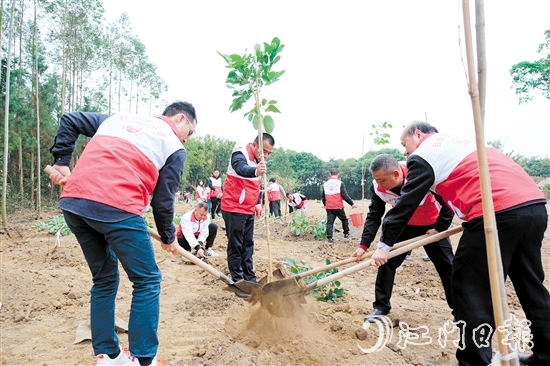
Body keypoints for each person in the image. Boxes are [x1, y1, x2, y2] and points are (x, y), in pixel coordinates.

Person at [371, 121, 549, 366]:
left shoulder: (423, 154)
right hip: (533, 208)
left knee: (468, 288)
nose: (405, 152)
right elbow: (466, 183)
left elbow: (406, 202)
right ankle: (547, 355)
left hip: (497, 212)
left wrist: (384, 247)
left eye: (405, 144)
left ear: (419, 134)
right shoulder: (462, 142)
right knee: (531, 286)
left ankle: (473, 362)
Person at [46, 101, 197, 366]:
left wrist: (62, 162)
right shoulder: (174, 146)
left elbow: (70, 120)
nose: (187, 139)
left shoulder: (118, 118)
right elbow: (163, 201)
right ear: (181, 118)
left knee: (104, 280)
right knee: (147, 280)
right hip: (118, 208)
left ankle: (108, 356)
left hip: (74, 204)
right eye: (190, 132)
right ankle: (144, 360)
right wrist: (168, 236)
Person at [350, 154, 454, 323]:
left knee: (448, 266)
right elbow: (374, 215)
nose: (378, 184)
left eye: (382, 180)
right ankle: (381, 306)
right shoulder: (378, 187)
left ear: (396, 174)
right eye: (375, 180)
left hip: (432, 226)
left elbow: (448, 202)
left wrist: (440, 228)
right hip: (403, 225)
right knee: (386, 261)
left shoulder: (422, 174)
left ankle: (459, 309)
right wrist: (364, 245)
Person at [220, 133, 274, 283]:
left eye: (270, 153)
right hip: (234, 207)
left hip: (248, 208)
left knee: (248, 244)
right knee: (236, 244)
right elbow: (240, 169)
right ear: (254, 145)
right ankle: (238, 278)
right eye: (265, 151)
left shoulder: (259, 161)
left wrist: (257, 202)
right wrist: (256, 171)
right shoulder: (239, 153)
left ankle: (250, 277)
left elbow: (254, 184)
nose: (267, 155)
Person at [322, 168, 357, 243]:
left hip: (329, 206)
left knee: (330, 222)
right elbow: (344, 195)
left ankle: (329, 238)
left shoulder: (325, 184)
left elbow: (323, 196)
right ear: (338, 174)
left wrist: (325, 204)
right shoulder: (340, 183)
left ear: (330, 174)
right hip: (338, 206)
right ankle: (346, 234)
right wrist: (352, 203)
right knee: (344, 220)